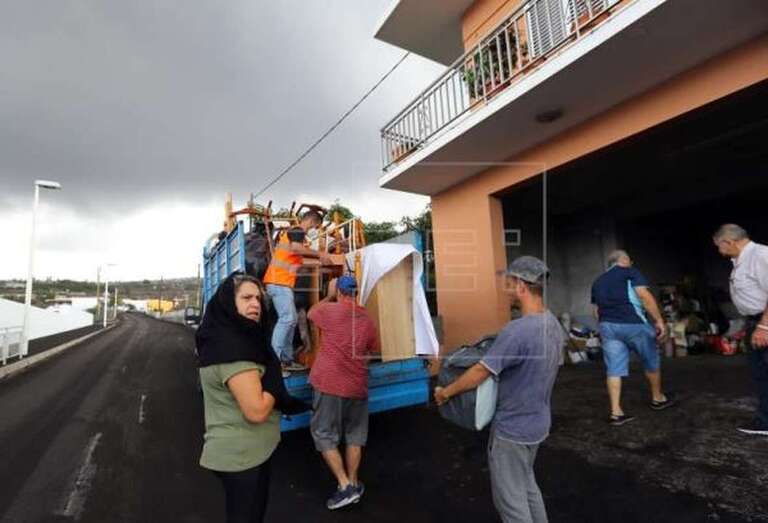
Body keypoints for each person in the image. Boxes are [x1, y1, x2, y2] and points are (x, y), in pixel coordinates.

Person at [434, 256, 564, 523]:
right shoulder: (552, 323)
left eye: (510, 283)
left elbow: (481, 371)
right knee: (527, 487)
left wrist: (446, 392)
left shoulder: (518, 331)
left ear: (521, 287)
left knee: (512, 504)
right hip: (537, 425)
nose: (506, 290)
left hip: (512, 431)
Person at [196, 273, 309, 523]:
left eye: (258, 298)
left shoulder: (227, 340)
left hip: (248, 452)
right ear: (228, 303)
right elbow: (257, 411)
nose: (256, 304)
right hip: (242, 456)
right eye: (246, 298)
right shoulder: (233, 351)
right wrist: (273, 376)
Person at [307, 275, 379, 510]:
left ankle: (345, 486)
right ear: (355, 293)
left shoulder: (330, 310)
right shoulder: (367, 319)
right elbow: (371, 350)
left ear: (339, 292)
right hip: (357, 386)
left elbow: (310, 313)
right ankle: (355, 483)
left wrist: (328, 295)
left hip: (329, 383)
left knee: (323, 433)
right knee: (355, 436)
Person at [591, 250, 675, 426]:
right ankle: (657, 398)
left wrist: (604, 328)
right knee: (651, 360)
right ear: (625, 260)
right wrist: (659, 321)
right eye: (630, 259)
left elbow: (596, 311)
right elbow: (644, 296)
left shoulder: (598, 281)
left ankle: (616, 412)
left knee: (614, 369)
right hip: (634, 324)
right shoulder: (630, 272)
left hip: (608, 326)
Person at [713, 224, 768, 436]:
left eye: (719, 246)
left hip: (763, 322)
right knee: (761, 375)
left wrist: (763, 326)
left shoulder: (760, 255)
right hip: (754, 321)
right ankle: (765, 422)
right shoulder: (741, 260)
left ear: (729, 241)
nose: (719, 251)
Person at [263, 210, 331, 373]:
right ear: (312, 222)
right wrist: (320, 254)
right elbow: (296, 249)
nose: (314, 229)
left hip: (280, 282)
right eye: (316, 226)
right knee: (287, 319)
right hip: (278, 281)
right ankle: (275, 360)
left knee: (291, 319)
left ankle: (286, 359)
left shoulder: (294, 235)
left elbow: (297, 255)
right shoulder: (297, 231)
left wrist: (318, 259)